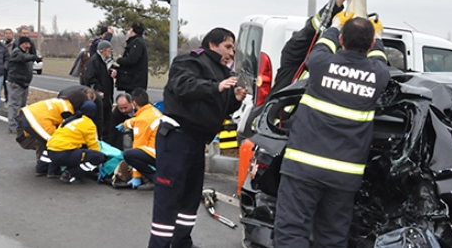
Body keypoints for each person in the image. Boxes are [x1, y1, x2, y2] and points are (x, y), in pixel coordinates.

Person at [273, 13, 390, 248]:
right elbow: (379, 59)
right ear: (368, 46)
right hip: (343, 176)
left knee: (292, 232)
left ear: (342, 41)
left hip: (303, 168)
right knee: (332, 239)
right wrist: (378, 37)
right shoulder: (378, 76)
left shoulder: (321, 64)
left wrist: (335, 25)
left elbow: (322, 45)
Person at [147, 27, 247, 248]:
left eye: (233, 48)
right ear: (212, 44)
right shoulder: (190, 61)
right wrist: (217, 86)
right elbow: (183, 86)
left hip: (196, 142)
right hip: (176, 138)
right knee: (169, 198)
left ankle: (182, 242)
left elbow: (215, 106)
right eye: (228, 46)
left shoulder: (222, 72)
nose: (231, 53)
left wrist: (235, 99)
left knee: (190, 198)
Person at [18, 89, 88, 177]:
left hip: (27, 113)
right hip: (38, 120)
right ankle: (49, 169)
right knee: (55, 143)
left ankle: (43, 165)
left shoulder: (62, 101)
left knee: (46, 140)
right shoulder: (67, 110)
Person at [46, 100, 105, 184]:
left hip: (50, 151)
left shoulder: (70, 120)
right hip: (63, 153)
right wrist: (99, 162)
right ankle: (71, 174)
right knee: (98, 157)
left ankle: (51, 171)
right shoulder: (89, 124)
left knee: (69, 149)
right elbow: (93, 144)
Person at [118, 88, 161, 189]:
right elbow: (136, 120)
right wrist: (125, 124)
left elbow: (138, 145)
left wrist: (136, 175)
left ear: (134, 103)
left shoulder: (142, 120)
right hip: (164, 151)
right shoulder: (153, 111)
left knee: (129, 154)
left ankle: (154, 178)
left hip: (155, 153)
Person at [82, 39, 116, 144]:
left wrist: (113, 73)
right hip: (99, 96)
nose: (111, 52)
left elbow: (108, 72)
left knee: (108, 120)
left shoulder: (107, 61)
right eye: (110, 50)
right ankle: (99, 141)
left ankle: (107, 141)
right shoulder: (94, 61)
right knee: (100, 120)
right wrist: (97, 91)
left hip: (108, 95)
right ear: (103, 50)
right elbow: (89, 78)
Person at [7, 36, 41, 134]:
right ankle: (12, 126)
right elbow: (24, 58)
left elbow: (31, 54)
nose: (28, 46)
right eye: (26, 44)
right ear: (21, 44)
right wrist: (33, 57)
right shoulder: (17, 52)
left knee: (22, 106)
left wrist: (33, 51)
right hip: (16, 82)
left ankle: (20, 125)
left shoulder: (27, 52)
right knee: (14, 105)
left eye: (29, 44)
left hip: (24, 83)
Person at [115, 21, 148, 94]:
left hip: (134, 81)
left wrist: (120, 60)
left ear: (132, 30)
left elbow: (132, 60)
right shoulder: (138, 42)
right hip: (133, 81)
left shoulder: (137, 43)